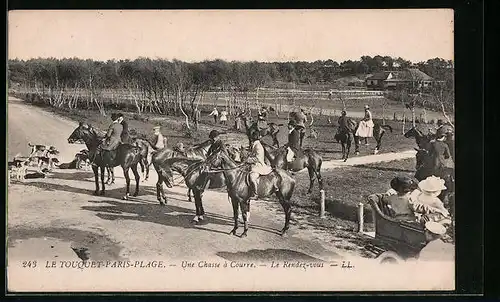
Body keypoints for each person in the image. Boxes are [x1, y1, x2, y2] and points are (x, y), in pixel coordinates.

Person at [247, 131, 272, 199]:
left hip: (258, 165)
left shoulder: (258, 146)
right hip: (254, 164)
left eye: (252, 137)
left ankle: (256, 194)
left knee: (252, 177)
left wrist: (249, 159)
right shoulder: (255, 144)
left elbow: (258, 158)